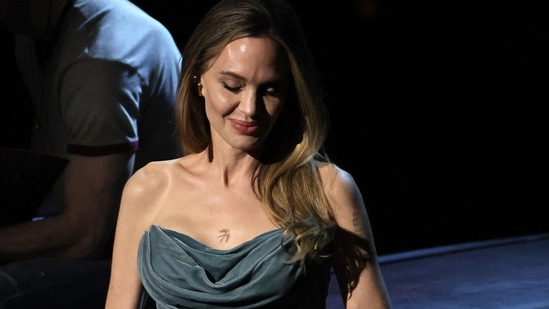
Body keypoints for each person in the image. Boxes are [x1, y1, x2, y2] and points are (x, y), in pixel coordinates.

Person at [105, 0, 392, 308]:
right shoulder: (148, 188)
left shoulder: (326, 189)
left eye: (270, 90)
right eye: (232, 86)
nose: (250, 108)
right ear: (198, 79)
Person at [0, 0, 181, 307]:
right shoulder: (33, 36)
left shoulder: (100, 58)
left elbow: (87, 236)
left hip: (156, 256)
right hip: (99, 231)